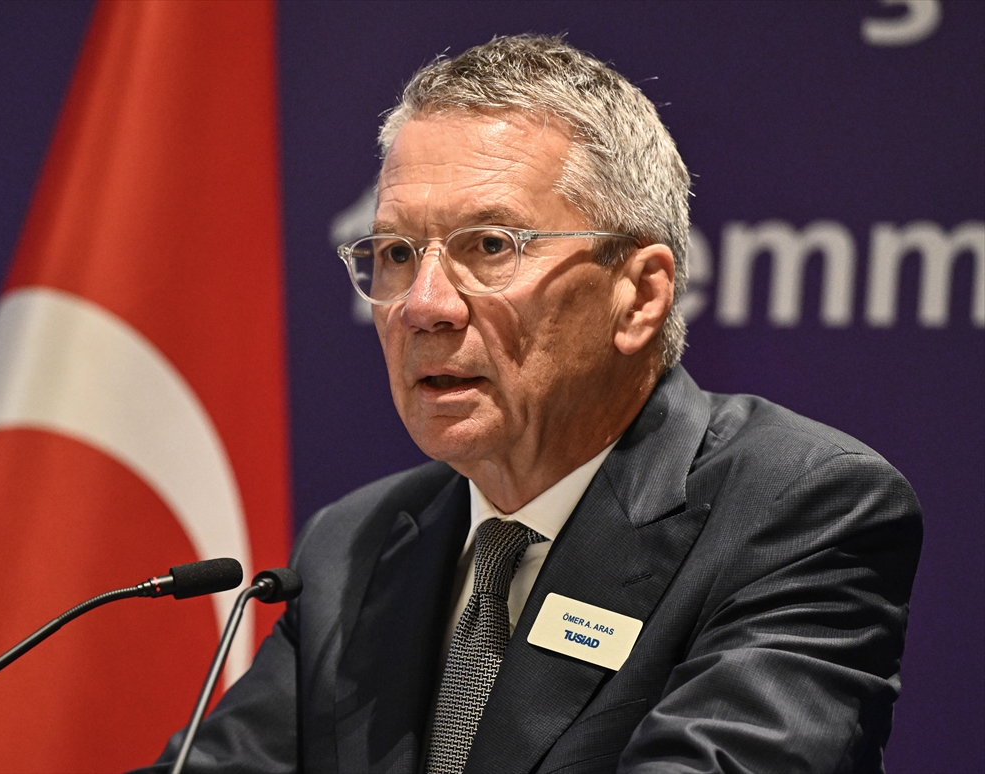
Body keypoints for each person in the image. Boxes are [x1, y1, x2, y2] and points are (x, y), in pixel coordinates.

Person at [141, 35, 922, 774]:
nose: (424, 305)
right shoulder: (354, 545)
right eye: (398, 253)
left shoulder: (797, 512)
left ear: (638, 294)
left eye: (491, 246)